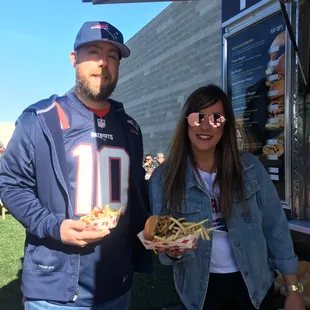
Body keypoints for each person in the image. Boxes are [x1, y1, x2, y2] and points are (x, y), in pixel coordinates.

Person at [0, 21, 151, 310]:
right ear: (74, 59)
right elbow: (11, 184)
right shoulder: (39, 119)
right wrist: (55, 227)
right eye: (93, 52)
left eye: (112, 56)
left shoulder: (130, 127)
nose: (103, 63)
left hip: (117, 286)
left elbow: (135, 197)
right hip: (55, 292)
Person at [149, 85, 305, 310]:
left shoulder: (251, 169)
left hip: (255, 287)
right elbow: (164, 246)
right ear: (186, 122)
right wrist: (172, 251)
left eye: (216, 119)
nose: (206, 126)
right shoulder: (164, 178)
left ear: (225, 125)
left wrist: (293, 289)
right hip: (200, 292)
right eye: (198, 117)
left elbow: (276, 228)